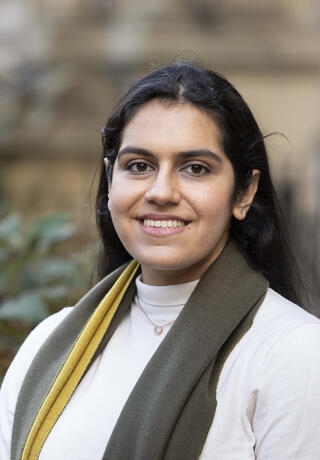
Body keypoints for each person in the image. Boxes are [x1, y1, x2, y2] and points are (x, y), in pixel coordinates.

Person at [1, 61, 320, 460]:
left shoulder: (292, 353)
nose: (161, 191)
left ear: (244, 193)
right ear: (110, 178)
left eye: (195, 168)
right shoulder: (48, 347)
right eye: (139, 166)